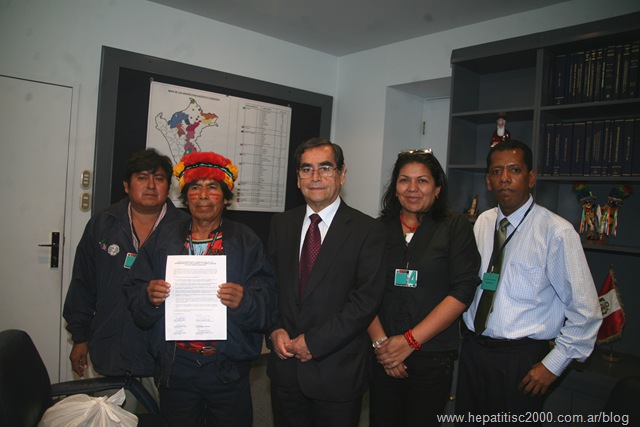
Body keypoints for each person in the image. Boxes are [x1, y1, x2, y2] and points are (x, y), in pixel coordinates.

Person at [123, 151, 277, 427]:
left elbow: (267, 305)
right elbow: (134, 291)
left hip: (227, 366)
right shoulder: (164, 238)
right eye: (195, 187)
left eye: (212, 187)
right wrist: (149, 296)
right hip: (176, 365)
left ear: (226, 197)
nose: (203, 195)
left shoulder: (246, 242)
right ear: (186, 197)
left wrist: (244, 301)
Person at [456, 139, 602, 420]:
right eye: (496, 171)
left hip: (521, 360)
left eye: (514, 170)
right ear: (488, 181)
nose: (505, 178)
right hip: (474, 352)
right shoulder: (482, 222)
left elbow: (586, 311)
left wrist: (553, 365)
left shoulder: (556, 232)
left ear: (531, 178)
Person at [266, 137, 386, 427]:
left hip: (337, 373)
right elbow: (270, 286)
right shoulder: (281, 224)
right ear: (298, 179)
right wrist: (274, 328)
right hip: (286, 371)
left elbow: (365, 301)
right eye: (306, 169)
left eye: (325, 168)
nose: (315, 177)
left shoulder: (368, 230)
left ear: (342, 174)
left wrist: (315, 342)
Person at [367, 149, 481, 427]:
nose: (412, 189)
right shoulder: (377, 229)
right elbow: (362, 289)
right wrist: (383, 346)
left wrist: (409, 342)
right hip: (382, 353)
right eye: (404, 180)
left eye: (422, 181)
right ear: (395, 187)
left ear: (437, 188)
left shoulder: (455, 226)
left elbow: (463, 290)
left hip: (432, 356)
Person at [63, 148, 189, 381]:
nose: (151, 185)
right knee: (114, 405)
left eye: (159, 178)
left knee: (162, 405)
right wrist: (80, 338)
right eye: (142, 178)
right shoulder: (103, 224)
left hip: (165, 354)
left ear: (168, 187)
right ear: (126, 186)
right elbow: (83, 283)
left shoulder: (186, 229)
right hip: (112, 346)